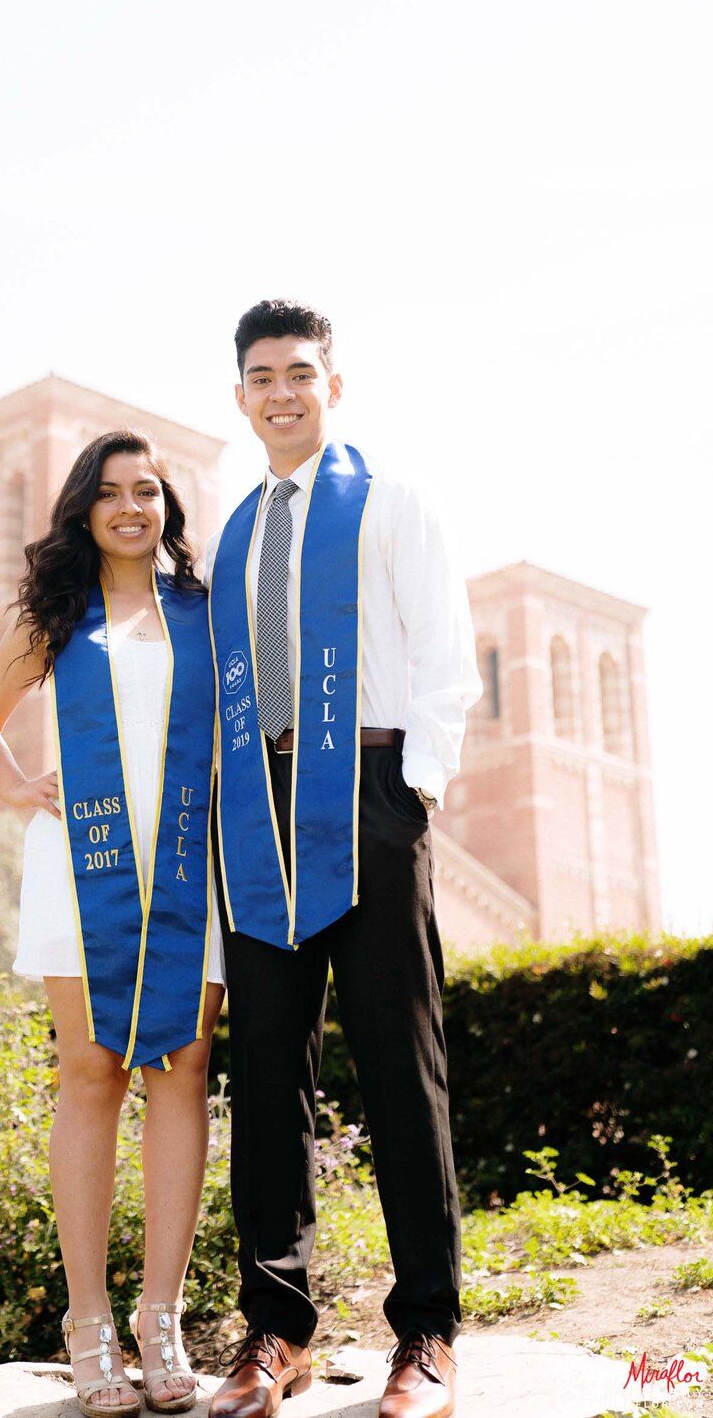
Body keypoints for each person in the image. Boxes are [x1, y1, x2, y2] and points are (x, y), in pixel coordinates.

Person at [206, 301, 481, 1418]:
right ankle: (274, 1331)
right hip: (256, 812)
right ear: (239, 395)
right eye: (262, 375)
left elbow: (444, 653)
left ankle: (427, 1332)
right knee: (266, 1070)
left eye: (301, 373)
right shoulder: (232, 531)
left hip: (367, 792)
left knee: (398, 1064)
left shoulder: (389, 504)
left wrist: (410, 794)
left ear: (333, 387)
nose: (281, 391)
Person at [0, 430, 225, 1418]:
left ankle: (162, 1318)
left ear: (166, 506)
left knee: (182, 1067)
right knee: (90, 1072)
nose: (129, 507)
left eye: (146, 491)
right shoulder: (56, 617)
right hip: (81, 863)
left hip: (189, 864)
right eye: (110, 493)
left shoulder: (205, 616)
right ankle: (87, 1322)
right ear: (83, 509)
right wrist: (21, 788)